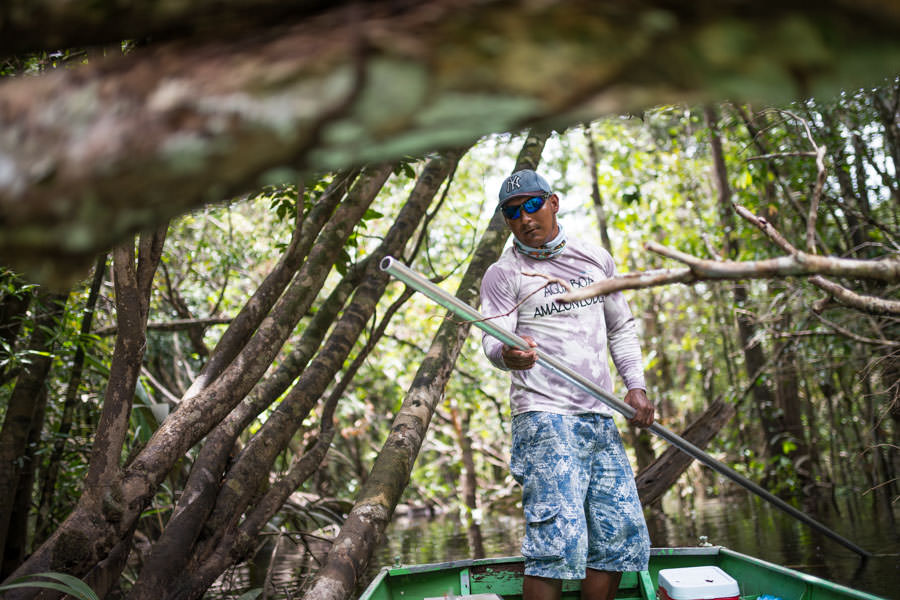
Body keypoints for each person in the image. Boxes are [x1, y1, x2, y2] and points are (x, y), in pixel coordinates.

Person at [480, 169, 654, 600]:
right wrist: (508, 353)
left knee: (620, 534)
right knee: (556, 542)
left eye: (532, 205)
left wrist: (636, 386)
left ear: (553, 202)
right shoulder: (503, 274)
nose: (524, 218)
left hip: (598, 414)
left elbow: (621, 328)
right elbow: (491, 339)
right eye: (512, 212)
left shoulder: (595, 259)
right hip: (544, 415)